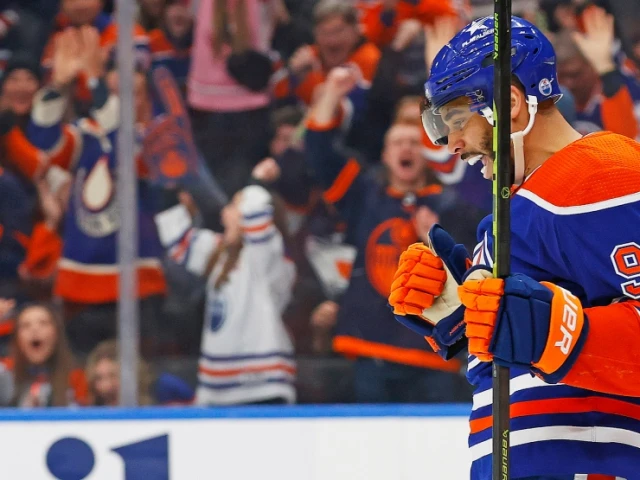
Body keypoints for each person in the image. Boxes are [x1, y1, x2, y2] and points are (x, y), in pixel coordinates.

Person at [388, 15, 640, 480]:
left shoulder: (604, 176)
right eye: (439, 124)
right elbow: (522, 347)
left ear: (512, 103)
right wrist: (459, 316)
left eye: (456, 119)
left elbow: (559, 335)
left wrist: (557, 334)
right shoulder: (512, 211)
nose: (451, 144)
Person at [154, 185, 297, 405]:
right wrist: (170, 189)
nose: (224, 214)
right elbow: (176, 237)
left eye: (232, 206)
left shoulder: (269, 260)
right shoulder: (220, 254)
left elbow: (257, 205)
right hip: (217, 390)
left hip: (262, 389)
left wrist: (256, 180)